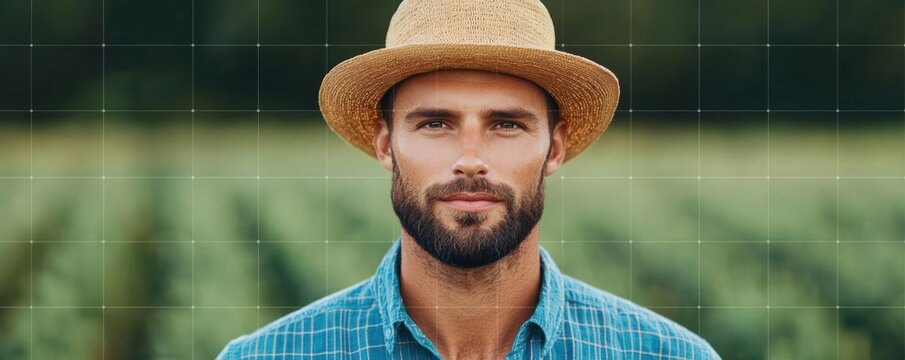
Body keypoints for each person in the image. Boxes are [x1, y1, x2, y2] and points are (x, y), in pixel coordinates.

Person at [218, 0, 720, 358]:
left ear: (555, 147)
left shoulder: (667, 354)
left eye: (507, 124)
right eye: (435, 123)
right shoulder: (269, 355)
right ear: (386, 144)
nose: (470, 159)